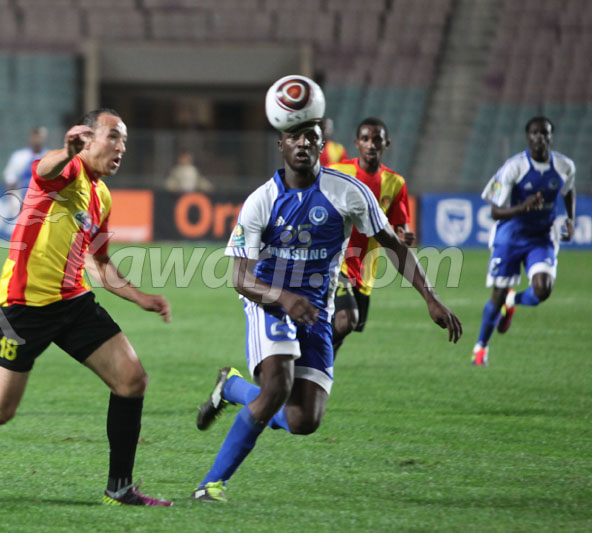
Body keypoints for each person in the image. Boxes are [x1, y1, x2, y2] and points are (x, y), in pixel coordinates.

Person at [0, 109, 174, 507]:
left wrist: (142, 298)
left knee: (132, 380)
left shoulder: (101, 196)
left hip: (73, 303)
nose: (121, 148)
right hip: (23, 307)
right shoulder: (66, 173)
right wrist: (65, 152)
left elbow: (99, 263)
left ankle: (119, 488)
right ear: (87, 138)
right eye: (113, 137)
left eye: (125, 141)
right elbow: (47, 169)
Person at [191, 115, 462, 503]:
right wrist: (283, 298)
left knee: (304, 421)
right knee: (278, 387)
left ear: (323, 146)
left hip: (317, 306)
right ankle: (211, 484)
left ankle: (232, 386)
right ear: (280, 145)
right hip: (268, 301)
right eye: (294, 137)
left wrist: (430, 297)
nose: (302, 144)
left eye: (311, 138)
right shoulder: (260, 201)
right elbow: (240, 278)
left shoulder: (347, 191)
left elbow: (392, 243)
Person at [472, 116, 575, 366]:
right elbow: (495, 212)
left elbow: (568, 190)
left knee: (543, 289)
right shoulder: (514, 167)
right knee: (496, 295)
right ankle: (481, 348)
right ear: (527, 137)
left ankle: (513, 301)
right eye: (535, 133)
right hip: (511, 237)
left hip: (542, 237)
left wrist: (570, 219)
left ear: (551, 137)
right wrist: (523, 207)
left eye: (545, 133)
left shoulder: (564, 166)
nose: (540, 137)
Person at [328, 117, 415, 355]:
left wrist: (404, 235)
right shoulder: (338, 172)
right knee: (345, 319)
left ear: (387, 143)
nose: (371, 144)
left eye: (377, 139)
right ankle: (299, 364)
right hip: (337, 262)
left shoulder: (395, 183)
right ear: (357, 143)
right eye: (365, 139)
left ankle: (312, 384)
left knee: (339, 336)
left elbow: (400, 226)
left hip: (366, 271)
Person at [3, 126, 48, 193]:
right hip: (22, 196)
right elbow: (11, 177)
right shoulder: (19, 156)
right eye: (34, 137)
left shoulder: (49, 156)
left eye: (39, 137)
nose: (36, 140)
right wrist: (11, 196)